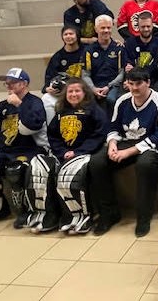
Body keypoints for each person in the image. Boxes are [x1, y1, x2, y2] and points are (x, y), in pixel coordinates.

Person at [89, 67, 158, 236]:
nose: (134, 88)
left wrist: (129, 152)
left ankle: (144, 217)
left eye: (139, 83)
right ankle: (109, 213)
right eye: (131, 83)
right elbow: (113, 127)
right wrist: (112, 143)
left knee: (145, 165)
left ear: (148, 83)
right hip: (126, 142)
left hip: (151, 145)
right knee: (97, 162)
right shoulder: (123, 100)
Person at [0, 68, 52, 230]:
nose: (8, 86)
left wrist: (19, 105)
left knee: (15, 172)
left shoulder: (35, 102)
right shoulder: (4, 105)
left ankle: (25, 211)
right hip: (5, 149)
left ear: (24, 84)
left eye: (12, 82)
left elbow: (33, 126)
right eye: (6, 83)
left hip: (29, 149)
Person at [48, 78, 108, 234]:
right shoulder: (61, 112)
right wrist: (62, 152)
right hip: (65, 154)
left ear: (85, 93)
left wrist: (78, 152)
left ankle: (86, 214)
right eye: (70, 91)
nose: (73, 94)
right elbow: (53, 136)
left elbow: (99, 134)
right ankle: (68, 215)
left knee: (75, 176)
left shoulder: (94, 110)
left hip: (85, 152)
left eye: (77, 91)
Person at [82, 15, 127, 112]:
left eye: (109, 27)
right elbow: (85, 74)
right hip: (94, 86)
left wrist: (108, 86)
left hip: (114, 86)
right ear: (96, 29)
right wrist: (93, 89)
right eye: (103, 28)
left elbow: (122, 73)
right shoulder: (88, 50)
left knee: (111, 99)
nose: (106, 30)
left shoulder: (119, 48)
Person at [41, 26, 85, 123]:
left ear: (77, 36)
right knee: (46, 98)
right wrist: (47, 88)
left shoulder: (86, 52)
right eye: (65, 34)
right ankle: (52, 130)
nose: (68, 36)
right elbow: (49, 78)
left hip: (83, 91)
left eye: (71, 34)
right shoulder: (58, 56)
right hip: (63, 93)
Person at [124, 10, 158, 84]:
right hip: (133, 81)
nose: (146, 29)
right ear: (138, 27)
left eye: (148, 26)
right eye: (143, 26)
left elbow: (155, 67)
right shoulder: (130, 43)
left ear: (152, 26)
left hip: (153, 81)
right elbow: (128, 63)